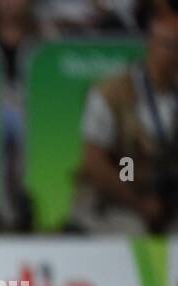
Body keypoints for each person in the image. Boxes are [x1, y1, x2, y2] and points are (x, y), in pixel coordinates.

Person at [68, 0, 178, 234]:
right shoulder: (112, 92)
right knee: (133, 230)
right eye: (171, 47)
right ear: (153, 45)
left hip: (166, 199)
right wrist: (140, 204)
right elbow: (95, 163)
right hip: (114, 199)